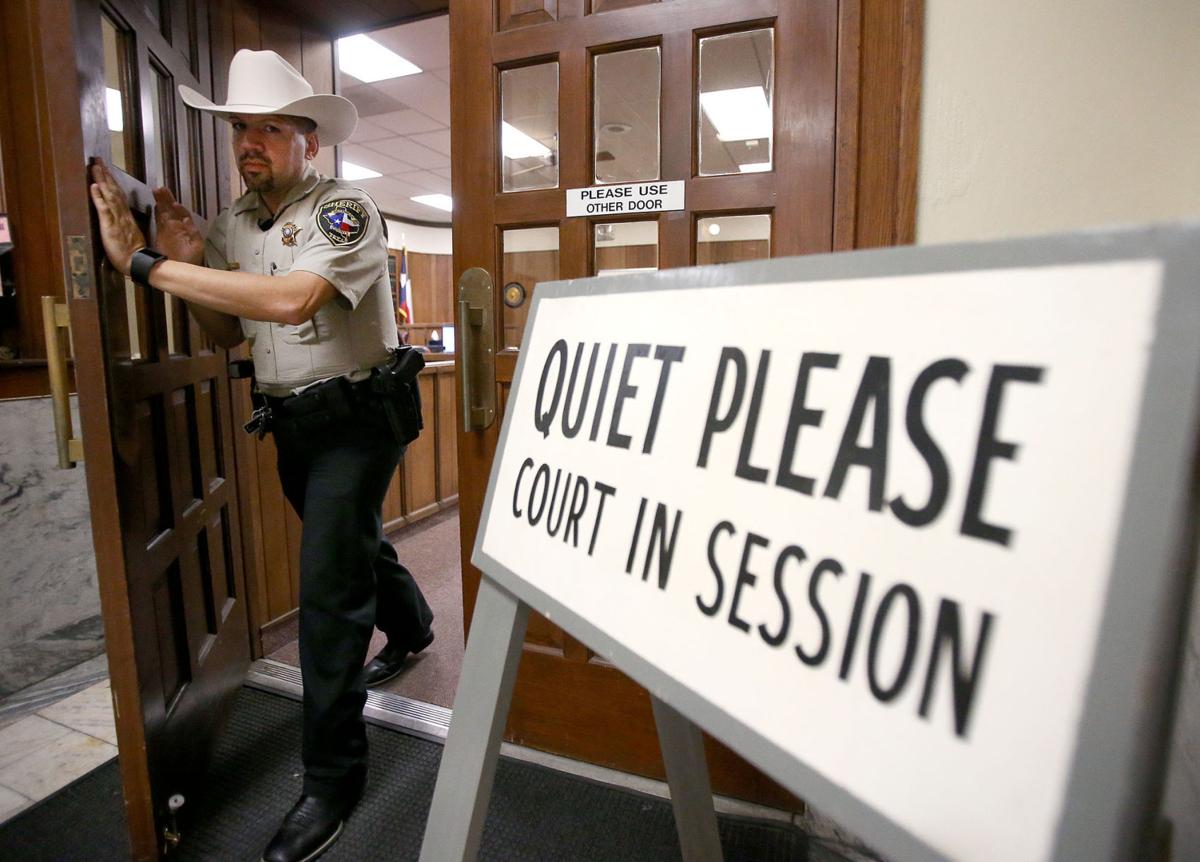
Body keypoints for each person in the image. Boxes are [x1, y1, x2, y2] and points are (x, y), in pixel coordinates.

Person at [88, 49, 434, 862]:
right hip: (291, 423)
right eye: (240, 128)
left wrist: (146, 265)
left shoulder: (343, 210)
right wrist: (196, 262)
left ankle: (331, 783)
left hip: (358, 420)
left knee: (327, 591)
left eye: (270, 128)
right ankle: (414, 624)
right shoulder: (232, 225)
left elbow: (290, 299)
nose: (250, 141)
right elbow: (229, 333)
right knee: (347, 546)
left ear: (307, 141)